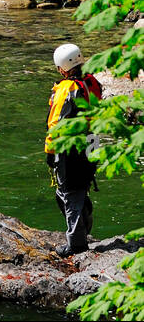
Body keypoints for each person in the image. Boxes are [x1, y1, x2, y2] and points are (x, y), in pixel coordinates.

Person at [46, 43, 103, 256]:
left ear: (62, 68)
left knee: (68, 193)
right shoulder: (92, 82)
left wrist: (50, 152)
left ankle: (77, 243)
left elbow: (56, 125)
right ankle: (84, 218)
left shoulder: (66, 89)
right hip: (92, 141)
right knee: (81, 186)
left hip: (71, 147)